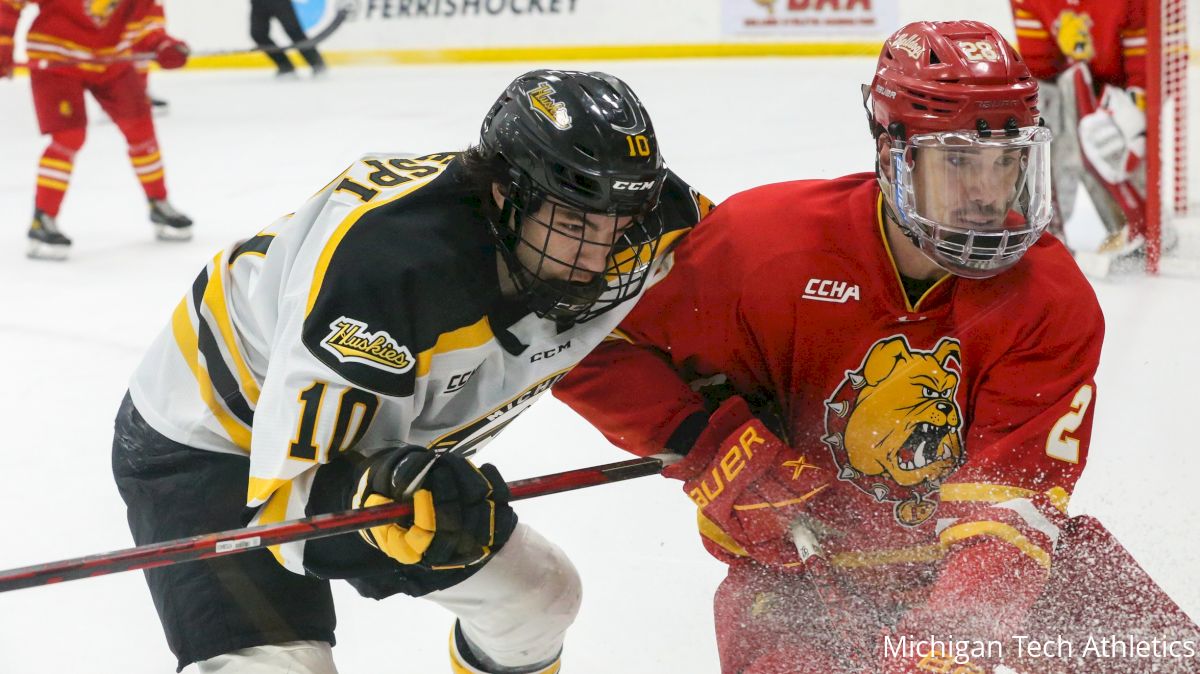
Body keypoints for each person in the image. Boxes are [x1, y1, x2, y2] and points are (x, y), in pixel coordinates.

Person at [555, 21, 1115, 674]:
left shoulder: (1049, 298)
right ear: (892, 156)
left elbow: (1008, 521)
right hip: (794, 586)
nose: (989, 195)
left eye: (1007, 160)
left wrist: (947, 646)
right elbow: (579, 338)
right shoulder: (763, 248)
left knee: (1161, 660)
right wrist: (710, 446)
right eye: (960, 161)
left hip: (994, 577)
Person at [111, 69, 711, 673]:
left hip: (363, 433)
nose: (599, 259)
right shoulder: (385, 276)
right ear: (507, 192)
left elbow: (759, 265)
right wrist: (383, 491)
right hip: (214, 447)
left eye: (618, 226)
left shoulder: (648, 220)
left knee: (538, 601)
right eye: (576, 226)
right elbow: (290, 507)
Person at [0, 0, 194, 260]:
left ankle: (159, 203)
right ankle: (43, 219)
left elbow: (146, 22)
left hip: (112, 58)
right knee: (69, 137)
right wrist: (2, 43)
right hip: (57, 57)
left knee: (141, 130)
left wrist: (162, 45)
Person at [1008, 0, 1164, 270]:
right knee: (1041, 111)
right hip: (1076, 83)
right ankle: (1045, 227)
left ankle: (1146, 225)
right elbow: (1041, 72)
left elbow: (1147, 65)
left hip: (1122, 89)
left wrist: (1133, 111)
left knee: (1113, 137)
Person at [250, 0, 326, 78]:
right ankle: (285, 66)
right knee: (258, 34)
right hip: (258, 2)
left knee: (294, 31)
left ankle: (316, 63)